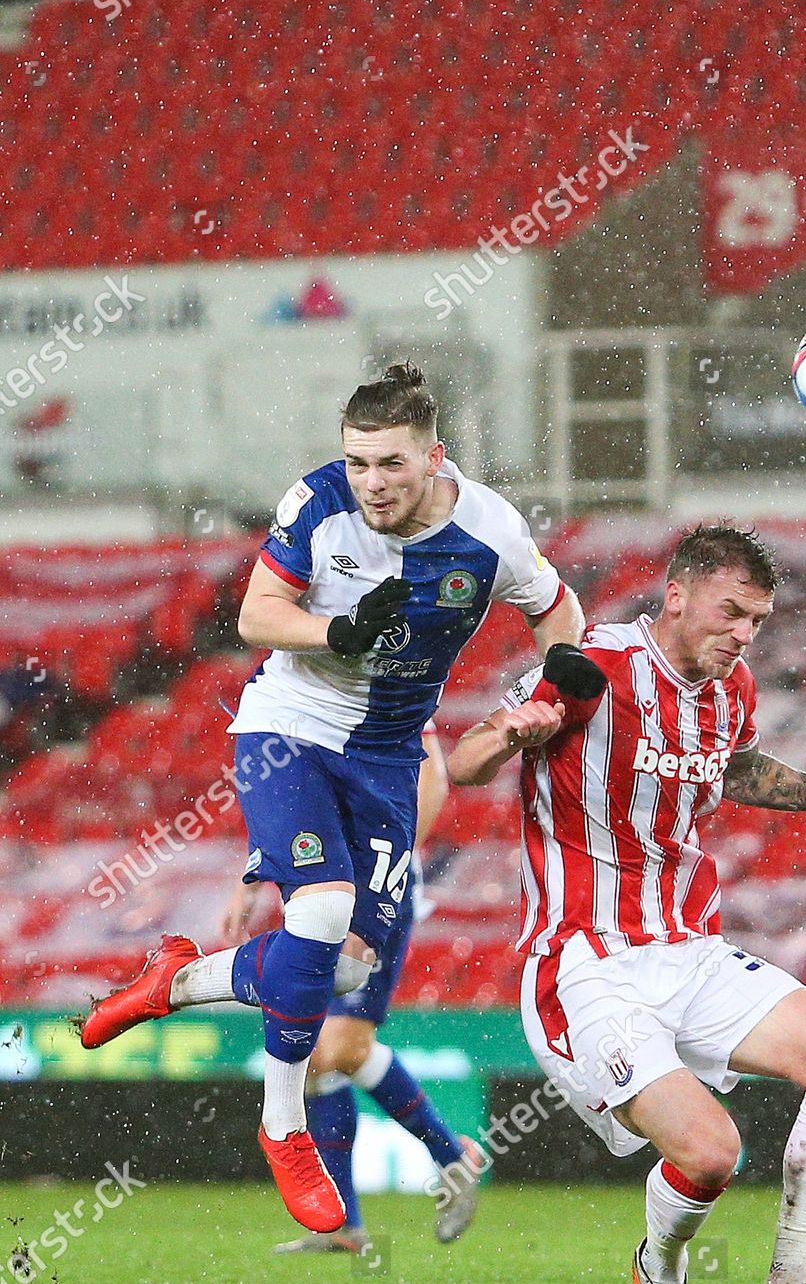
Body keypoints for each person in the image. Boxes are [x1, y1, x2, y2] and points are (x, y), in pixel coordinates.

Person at [81, 362, 592, 1235]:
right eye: (358, 463)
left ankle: (177, 981)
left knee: (344, 967)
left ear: (435, 458)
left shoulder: (491, 533)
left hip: (390, 756)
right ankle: (285, 1128)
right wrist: (336, 631)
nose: (371, 483)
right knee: (318, 916)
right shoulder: (315, 506)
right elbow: (256, 615)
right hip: (289, 727)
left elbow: (559, 611)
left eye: (390, 464)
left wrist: (557, 680)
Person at [446, 523, 806, 1284]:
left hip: (686, 947)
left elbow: (742, 771)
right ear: (678, 595)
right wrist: (518, 731)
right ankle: (659, 1278)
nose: (743, 634)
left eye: (757, 621)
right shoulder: (593, 665)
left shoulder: (732, 692)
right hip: (587, 959)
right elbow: (465, 761)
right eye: (731, 613)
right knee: (709, 1151)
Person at [220, 723, 483, 1252]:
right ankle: (345, 1226)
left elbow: (433, 777)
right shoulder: (302, 703)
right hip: (321, 890)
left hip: (374, 888)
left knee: (341, 1046)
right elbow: (289, 801)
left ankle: (453, 1157)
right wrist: (248, 881)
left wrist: (388, 864)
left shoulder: (380, 683)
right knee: (315, 1055)